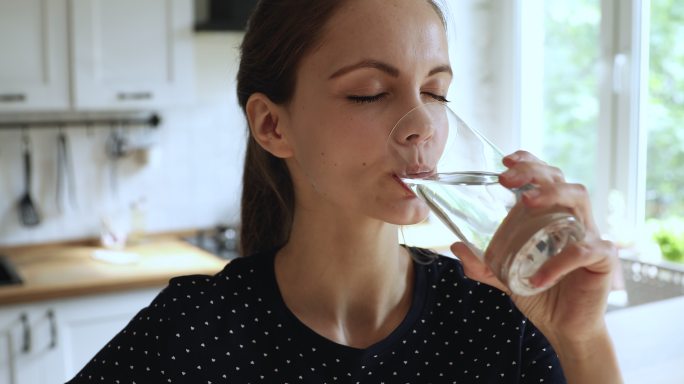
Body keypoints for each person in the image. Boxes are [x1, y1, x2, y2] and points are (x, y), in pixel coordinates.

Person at [68, 0, 622, 382]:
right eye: (369, 92)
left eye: (435, 92)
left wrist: (582, 337)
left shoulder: (498, 320)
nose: (422, 126)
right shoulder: (192, 332)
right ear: (272, 126)